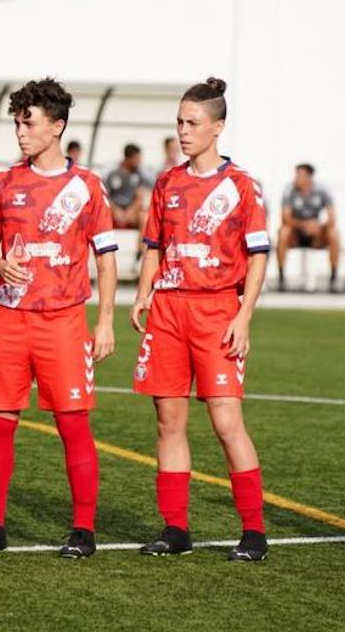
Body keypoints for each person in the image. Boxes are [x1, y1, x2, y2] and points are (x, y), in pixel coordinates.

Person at [0, 78, 118, 559]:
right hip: (8, 319)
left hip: (64, 321)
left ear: (57, 126)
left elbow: (106, 259)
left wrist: (105, 322)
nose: (20, 131)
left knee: (73, 425)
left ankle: (83, 529)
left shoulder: (87, 186)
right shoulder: (4, 182)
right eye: (16, 122)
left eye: (28, 123)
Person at [130, 77, 271, 562]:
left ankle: (254, 532)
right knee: (168, 422)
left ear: (218, 127)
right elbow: (154, 247)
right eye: (179, 122)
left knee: (227, 422)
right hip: (169, 312)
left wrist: (244, 316)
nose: (183, 131)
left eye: (192, 123)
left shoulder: (242, 186)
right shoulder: (167, 183)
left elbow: (258, 256)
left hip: (217, 311)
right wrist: (144, 293)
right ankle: (176, 529)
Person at [277, 163, 338, 292]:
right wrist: (304, 225)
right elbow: (285, 217)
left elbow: (332, 218)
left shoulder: (322, 190)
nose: (296, 178)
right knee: (283, 232)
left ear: (309, 177)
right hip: (296, 233)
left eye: (300, 175)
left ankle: (333, 278)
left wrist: (318, 227)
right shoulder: (289, 190)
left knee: (333, 233)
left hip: (316, 235)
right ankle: (281, 277)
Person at [106, 143, 151, 230]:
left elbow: (141, 196)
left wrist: (131, 211)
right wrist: (115, 210)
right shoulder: (113, 174)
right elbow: (105, 196)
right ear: (129, 158)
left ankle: (142, 239)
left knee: (145, 217)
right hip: (114, 211)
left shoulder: (139, 175)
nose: (140, 161)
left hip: (132, 212)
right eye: (137, 158)